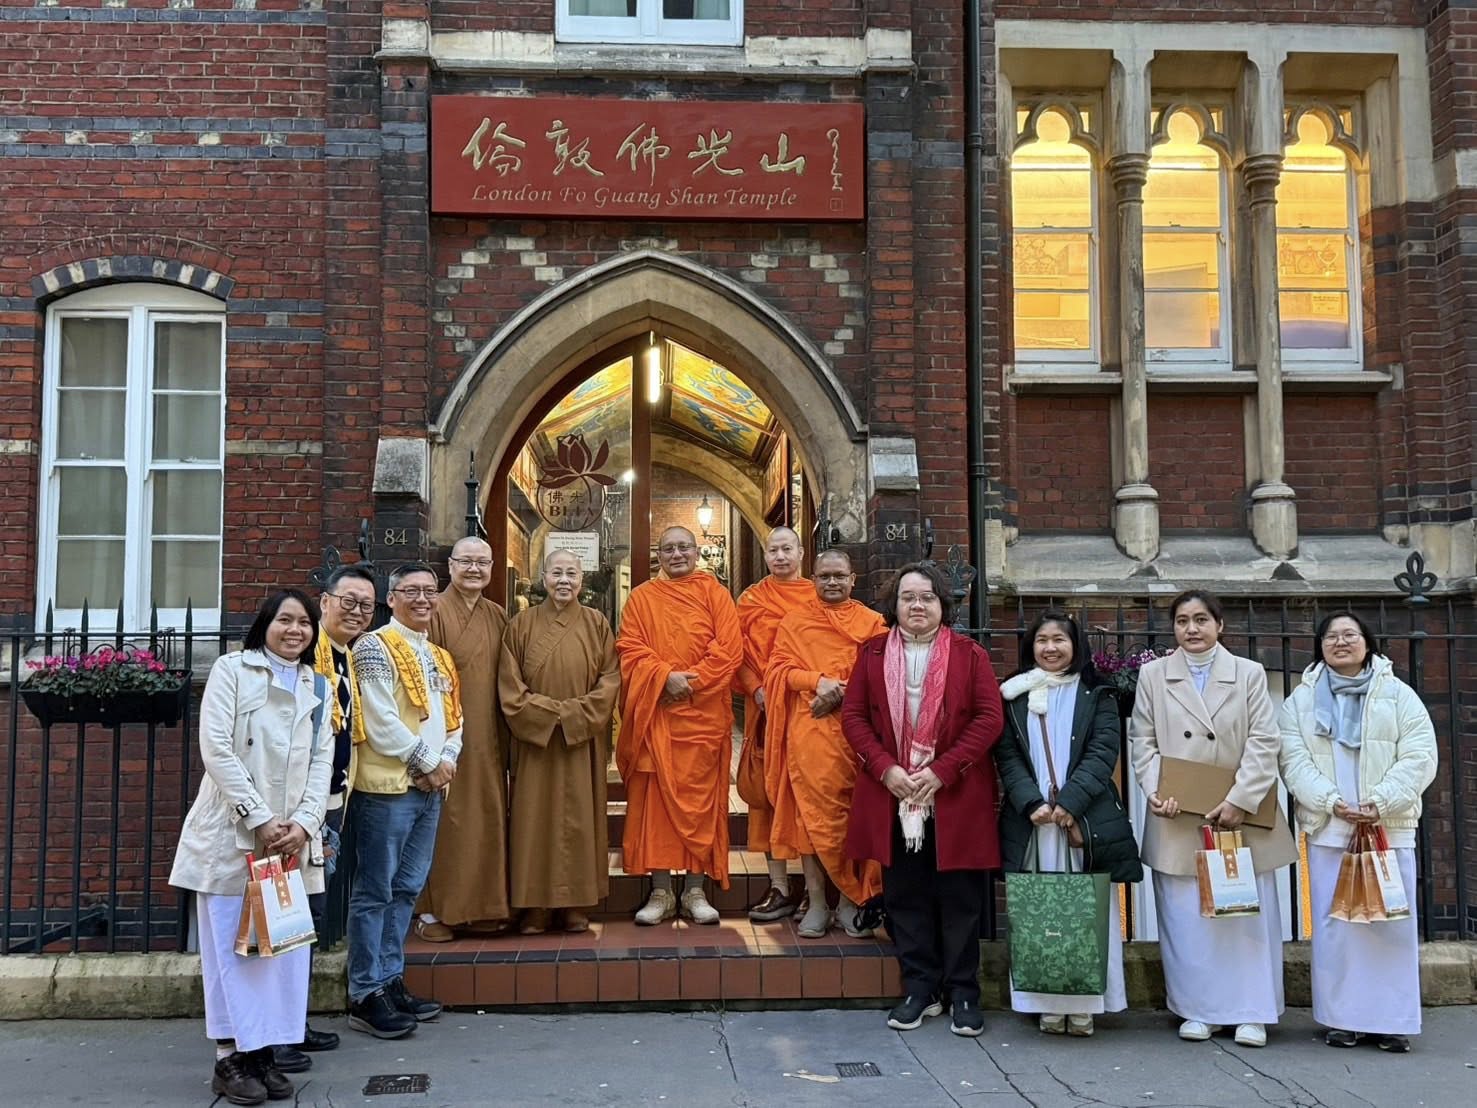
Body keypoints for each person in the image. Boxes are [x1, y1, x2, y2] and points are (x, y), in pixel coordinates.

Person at [169, 590, 333, 1106]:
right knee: (231, 952)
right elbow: (216, 748)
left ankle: (263, 1052)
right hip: (234, 837)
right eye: (285, 620)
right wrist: (259, 818)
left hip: (287, 843)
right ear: (265, 624)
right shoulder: (231, 670)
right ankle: (230, 1058)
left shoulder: (319, 685)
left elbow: (322, 762)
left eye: (305, 623)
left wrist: (305, 824)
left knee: (278, 954)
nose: (295, 630)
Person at [842, 561, 1004, 1038]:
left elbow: (988, 719)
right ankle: (920, 988)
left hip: (953, 795)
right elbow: (853, 717)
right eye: (908, 596)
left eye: (927, 597)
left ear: (942, 605)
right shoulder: (870, 653)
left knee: (959, 897)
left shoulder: (969, 654)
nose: (917, 605)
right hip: (892, 792)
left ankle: (963, 992)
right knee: (905, 895)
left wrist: (941, 771)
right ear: (894, 605)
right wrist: (886, 769)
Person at [1129, 588, 1297, 1048]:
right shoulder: (1153, 674)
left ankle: (1251, 1011)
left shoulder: (1248, 673)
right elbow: (1142, 740)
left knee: (1244, 916)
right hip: (1179, 812)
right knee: (1187, 916)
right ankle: (1197, 1008)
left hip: (1237, 814)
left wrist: (1241, 798)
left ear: (1219, 625)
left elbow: (1265, 739)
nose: (1192, 629)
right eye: (1182, 621)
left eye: (1201, 619)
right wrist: (1154, 792)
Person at [1279, 611, 1437, 1054]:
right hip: (1332, 828)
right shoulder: (1301, 701)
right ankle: (1342, 1019)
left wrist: (1380, 802)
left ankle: (1389, 1021)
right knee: (1338, 928)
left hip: (1387, 828)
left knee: (1388, 926)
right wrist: (1332, 802)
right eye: (1331, 636)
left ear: (1367, 642)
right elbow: (1292, 761)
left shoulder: (1398, 695)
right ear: (1320, 646)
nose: (1340, 642)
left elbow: (1420, 756)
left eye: (1350, 634)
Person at [996, 610, 1143, 1036]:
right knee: (1039, 912)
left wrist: (1071, 803)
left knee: (1089, 909)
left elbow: (1103, 752)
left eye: (1059, 639)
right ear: (1030, 647)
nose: (1050, 647)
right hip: (1036, 821)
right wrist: (1031, 803)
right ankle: (1044, 1000)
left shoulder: (1098, 693)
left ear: (1075, 645)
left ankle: (1086, 1004)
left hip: (1083, 820)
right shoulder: (1014, 696)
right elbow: (1007, 756)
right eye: (1042, 640)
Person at [267, 564, 378, 1074]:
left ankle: (291, 1021)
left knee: (306, 919)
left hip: (327, 806)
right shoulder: (300, 663)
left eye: (365, 605)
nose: (357, 612)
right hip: (288, 812)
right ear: (324, 602)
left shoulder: (345, 657)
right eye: (348, 601)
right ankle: (271, 1035)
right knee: (280, 922)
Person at [347, 562, 463, 1038]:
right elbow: (378, 719)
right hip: (388, 789)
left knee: (407, 889)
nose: (422, 599)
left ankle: (391, 981)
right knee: (375, 891)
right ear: (390, 599)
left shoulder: (437, 654)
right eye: (410, 591)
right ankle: (364, 992)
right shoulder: (374, 646)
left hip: (432, 786)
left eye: (429, 591)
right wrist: (426, 761)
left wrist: (447, 759)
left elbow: (454, 717)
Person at [615, 525, 743, 925]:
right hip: (658, 720)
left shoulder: (716, 595)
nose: (676, 555)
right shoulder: (642, 598)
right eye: (668, 549)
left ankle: (695, 891)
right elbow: (629, 647)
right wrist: (663, 676)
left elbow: (730, 650)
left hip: (703, 719)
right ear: (659, 555)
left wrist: (691, 684)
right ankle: (660, 892)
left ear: (697, 551)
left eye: (683, 547)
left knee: (703, 809)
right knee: (655, 808)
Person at [763, 548, 886, 938]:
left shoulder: (872, 623)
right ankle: (817, 902)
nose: (832, 582)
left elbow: (883, 671)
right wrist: (817, 682)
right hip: (810, 733)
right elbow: (778, 669)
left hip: (856, 736)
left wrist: (841, 692)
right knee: (810, 821)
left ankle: (850, 900)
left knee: (854, 818)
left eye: (839, 576)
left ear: (853, 580)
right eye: (824, 576)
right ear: (812, 580)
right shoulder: (795, 622)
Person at [499, 549, 621, 934]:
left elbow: (610, 681)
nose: (564, 580)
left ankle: (575, 904)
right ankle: (535, 905)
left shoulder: (597, 623)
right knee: (533, 821)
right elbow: (510, 688)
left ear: (581, 581)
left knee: (580, 822)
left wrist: (573, 717)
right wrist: (550, 715)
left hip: (580, 742)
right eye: (557, 573)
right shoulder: (520, 625)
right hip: (536, 743)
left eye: (571, 573)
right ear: (543, 578)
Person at [415, 536, 513, 941]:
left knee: (488, 817)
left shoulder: (498, 615)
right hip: (443, 734)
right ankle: (436, 912)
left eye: (482, 563)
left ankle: (484, 907)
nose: (474, 570)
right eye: (466, 562)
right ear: (450, 566)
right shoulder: (433, 611)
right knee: (445, 823)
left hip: (488, 734)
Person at [734, 526, 815, 924]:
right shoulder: (752, 600)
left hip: (807, 710)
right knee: (768, 794)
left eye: (787, 548)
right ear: (765, 556)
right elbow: (738, 654)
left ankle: (811, 888)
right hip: (765, 709)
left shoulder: (818, 598)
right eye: (773, 550)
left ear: (801, 552)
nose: (780, 556)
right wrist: (757, 688)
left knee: (806, 793)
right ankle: (779, 884)